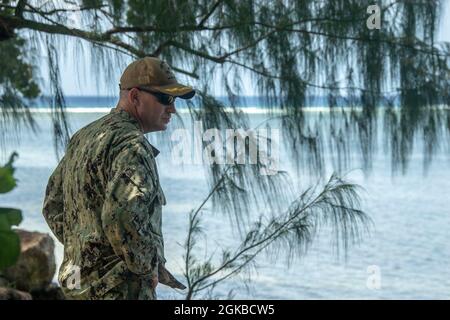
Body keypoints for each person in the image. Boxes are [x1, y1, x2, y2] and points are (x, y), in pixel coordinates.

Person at [42, 57, 195, 299]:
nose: (173, 109)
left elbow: (52, 205)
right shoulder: (133, 146)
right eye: (165, 99)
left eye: (174, 100)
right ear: (135, 97)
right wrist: (146, 267)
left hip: (77, 286)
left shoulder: (84, 137)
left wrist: (86, 249)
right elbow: (122, 215)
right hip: (120, 290)